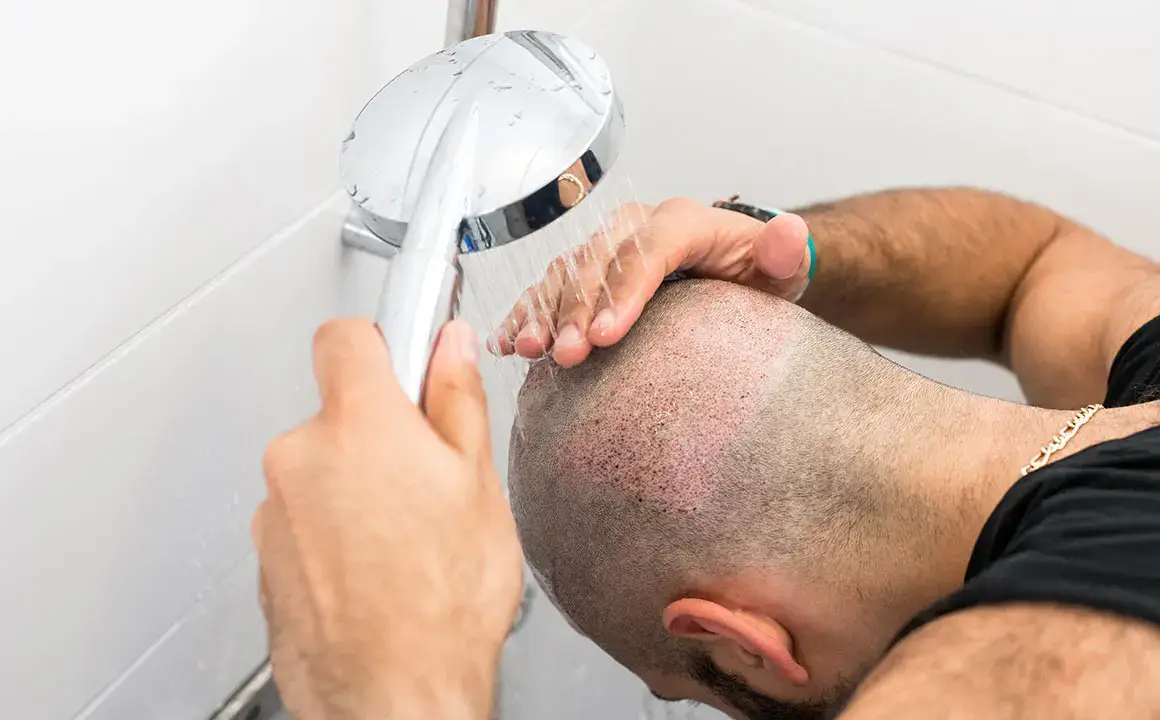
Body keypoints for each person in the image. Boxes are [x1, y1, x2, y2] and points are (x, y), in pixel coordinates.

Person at [254, 187, 1160, 720]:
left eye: (695, 696)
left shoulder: (1038, 681)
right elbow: (1035, 266)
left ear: (744, 649)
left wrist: (389, 677)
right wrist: (783, 244)